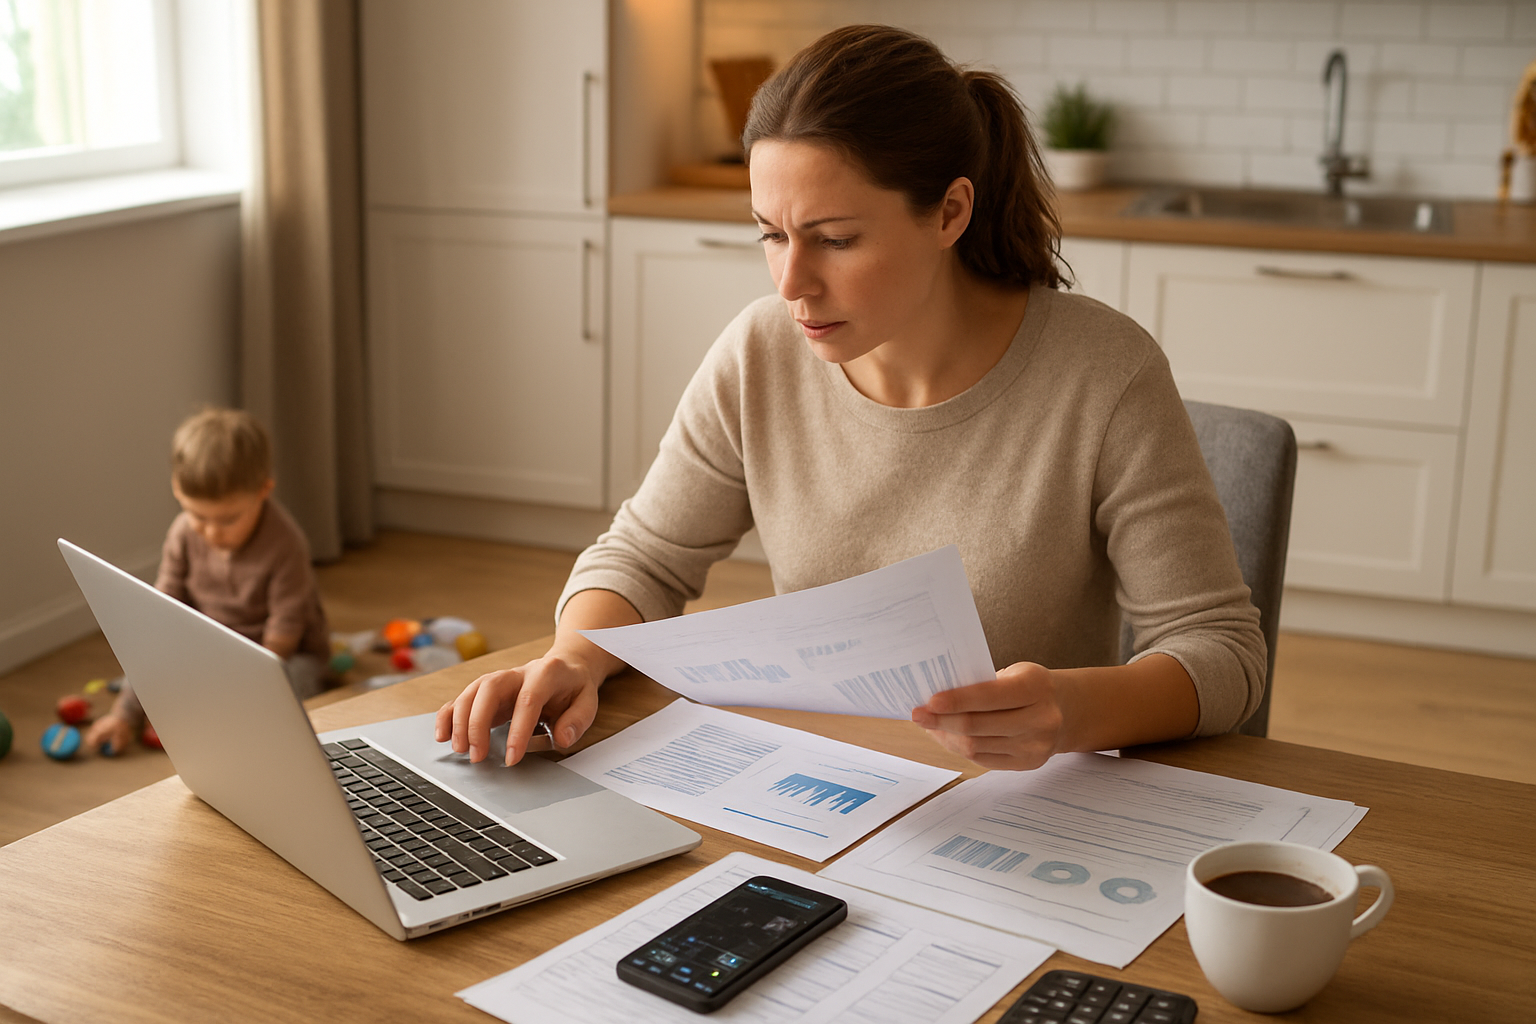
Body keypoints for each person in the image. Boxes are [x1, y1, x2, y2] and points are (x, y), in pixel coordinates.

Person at [437, 24, 1265, 772]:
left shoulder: (1104, 373)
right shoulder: (759, 353)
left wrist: (1072, 710)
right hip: (820, 786)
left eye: (835, 239)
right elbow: (646, 558)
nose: (792, 282)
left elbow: (1221, 653)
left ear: (949, 212)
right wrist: (575, 656)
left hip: (1026, 809)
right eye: (770, 233)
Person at [86, 408, 332, 755]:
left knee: (296, 683)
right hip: (210, 645)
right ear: (176, 490)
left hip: (278, 654)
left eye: (229, 519)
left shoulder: (286, 543)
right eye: (198, 515)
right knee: (147, 658)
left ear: (264, 490)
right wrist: (129, 705)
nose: (212, 532)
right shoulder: (182, 534)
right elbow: (160, 615)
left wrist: (239, 684)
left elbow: (284, 633)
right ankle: (126, 718)